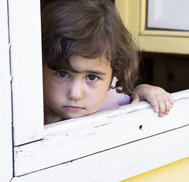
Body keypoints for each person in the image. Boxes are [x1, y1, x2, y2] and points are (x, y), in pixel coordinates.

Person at [41, 0, 173, 124]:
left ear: (113, 76)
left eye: (91, 77)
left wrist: (141, 93)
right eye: (63, 74)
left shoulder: (114, 97)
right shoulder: (28, 109)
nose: (75, 94)